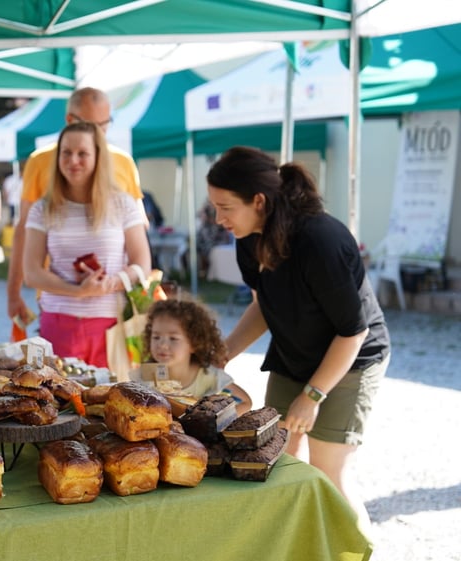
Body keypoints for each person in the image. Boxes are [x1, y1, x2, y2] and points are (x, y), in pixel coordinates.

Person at [207, 146, 390, 531]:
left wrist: (312, 396)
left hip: (351, 360)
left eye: (225, 207)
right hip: (293, 356)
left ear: (258, 201)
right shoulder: (247, 237)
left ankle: (356, 552)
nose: (219, 219)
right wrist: (224, 353)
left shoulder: (320, 241)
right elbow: (263, 305)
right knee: (275, 461)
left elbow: (353, 331)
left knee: (328, 473)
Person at [8, 87, 145, 330]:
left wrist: (123, 280)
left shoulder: (124, 162)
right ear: (70, 120)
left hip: (112, 310)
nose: (98, 133)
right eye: (91, 126)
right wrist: (13, 292)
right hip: (57, 300)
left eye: (104, 124)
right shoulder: (40, 162)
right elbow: (23, 230)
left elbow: (139, 231)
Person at [23, 121, 150, 367]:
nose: (73, 161)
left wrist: (111, 283)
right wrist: (79, 291)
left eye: (82, 153)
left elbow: (142, 264)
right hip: (59, 322)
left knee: (112, 391)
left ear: (98, 157)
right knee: (59, 391)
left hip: (112, 324)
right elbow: (32, 273)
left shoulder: (123, 204)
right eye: (66, 153)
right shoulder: (42, 208)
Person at [135, 298, 252, 415]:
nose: (162, 345)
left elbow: (245, 402)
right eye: (156, 337)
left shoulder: (208, 375)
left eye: (173, 338)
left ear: (195, 344)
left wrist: (218, 420)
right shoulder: (148, 373)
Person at [184, 201, 232, 278]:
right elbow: (198, 216)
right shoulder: (204, 222)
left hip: (216, 243)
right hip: (205, 242)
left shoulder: (218, 223)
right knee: (190, 250)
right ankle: (197, 272)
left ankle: (206, 271)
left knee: (209, 249)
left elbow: (220, 232)